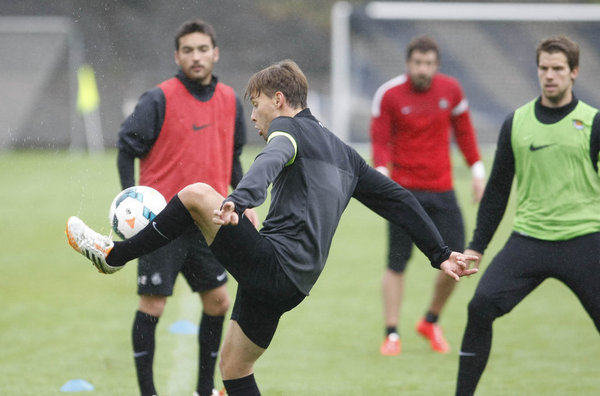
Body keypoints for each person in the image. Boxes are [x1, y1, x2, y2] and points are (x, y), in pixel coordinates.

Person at [66, 59, 478, 396]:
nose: (253, 115)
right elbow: (400, 200)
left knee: (194, 193)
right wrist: (440, 253)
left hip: (273, 266)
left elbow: (272, 158)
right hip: (293, 285)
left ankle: (112, 256)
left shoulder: (287, 128)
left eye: (256, 103)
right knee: (233, 368)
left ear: (278, 100)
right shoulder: (345, 155)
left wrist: (241, 198)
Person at [115, 19, 256, 396]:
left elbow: (233, 158)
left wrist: (243, 198)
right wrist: (130, 199)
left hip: (209, 220)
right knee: (154, 304)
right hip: (162, 222)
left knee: (218, 301)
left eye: (203, 49)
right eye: (188, 50)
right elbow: (126, 145)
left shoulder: (229, 99)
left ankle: (203, 388)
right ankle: (148, 392)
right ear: (177, 56)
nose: (196, 57)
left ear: (215, 53)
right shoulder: (158, 98)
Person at [455, 36, 600, 395]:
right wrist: (478, 245)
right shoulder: (516, 122)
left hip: (584, 240)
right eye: (544, 69)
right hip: (530, 240)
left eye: (558, 69)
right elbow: (498, 191)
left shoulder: (593, 123)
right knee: (480, 307)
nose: (549, 76)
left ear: (574, 73)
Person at [370, 35, 485, 356]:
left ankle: (431, 320)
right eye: (418, 63)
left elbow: (464, 133)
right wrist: (381, 174)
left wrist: (476, 169)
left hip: (443, 191)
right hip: (404, 195)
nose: (423, 69)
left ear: (437, 65)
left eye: (429, 64)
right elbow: (379, 140)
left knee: (460, 260)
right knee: (397, 263)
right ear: (409, 64)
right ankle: (391, 333)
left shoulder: (451, 91)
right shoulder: (389, 95)